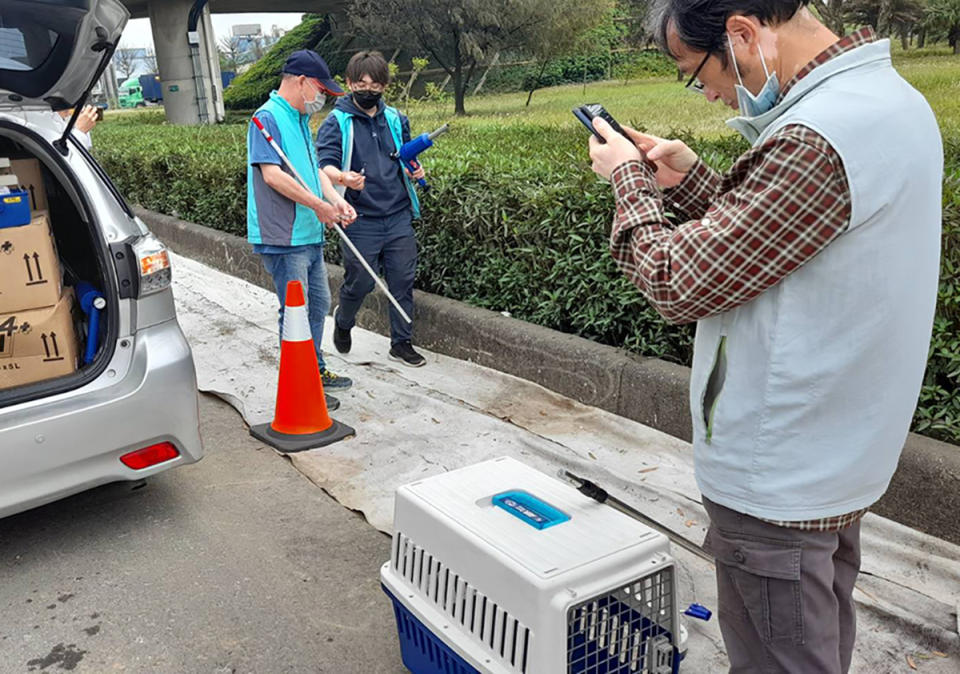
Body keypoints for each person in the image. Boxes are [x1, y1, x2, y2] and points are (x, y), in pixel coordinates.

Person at [587, 2, 942, 672]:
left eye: (698, 75)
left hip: (780, 477)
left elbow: (675, 281)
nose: (714, 95)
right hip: (835, 454)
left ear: (743, 34)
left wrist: (628, 182)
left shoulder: (818, 136)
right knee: (816, 638)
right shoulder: (889, 104)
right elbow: (790, 242)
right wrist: (691, 184)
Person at [247, 50, 357, 403]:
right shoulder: (266, 118)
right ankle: (300, 385)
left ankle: (315, 368)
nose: (321, 98)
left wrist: (335, 201)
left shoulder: (297, 119)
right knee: (295, 311)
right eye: (320, 90)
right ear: (302, 82)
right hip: (284, 236)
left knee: (318, 303)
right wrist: (318, 206)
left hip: (309, 232)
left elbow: (311, 173)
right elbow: (274, 176)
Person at [315, 50, 427, 368]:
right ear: (349, 83)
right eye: (361, 83)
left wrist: (414, 170)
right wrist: (343, 178)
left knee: (402, 279)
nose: (369, 89)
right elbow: (323, 166)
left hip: (397, 213)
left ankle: (401, 343)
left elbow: (404, 157)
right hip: (359, 217)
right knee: (361, 281)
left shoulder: (396, 119)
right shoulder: (337, 122)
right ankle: (345, 319)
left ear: (384, 86)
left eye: (376, 84)